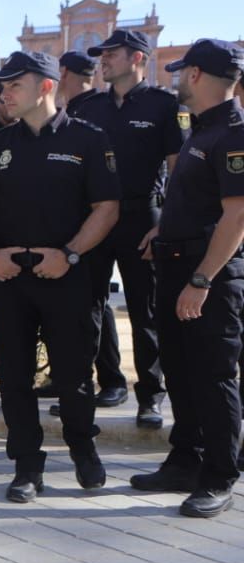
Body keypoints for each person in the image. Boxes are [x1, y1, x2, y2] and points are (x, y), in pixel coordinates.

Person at [0, 51, 119, 503]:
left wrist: (69, 254)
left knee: (74, 374)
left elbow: (107, 208)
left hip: (67, 276)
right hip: (10, 277)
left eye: (15, 85)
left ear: (46, 87)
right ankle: (27, 465)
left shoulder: (88, 139)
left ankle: (83, 449)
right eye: (2, 86)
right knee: (14, 376)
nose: (4, 94)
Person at [131, 40, 244, 518]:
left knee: (213, 375)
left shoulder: (234, 133)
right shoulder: (200, 130)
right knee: (178, 369)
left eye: (180, 72)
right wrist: (164, 228)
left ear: (195, 74)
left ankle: (219, 476)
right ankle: (185, 461)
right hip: (177, 263)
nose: (175, 79)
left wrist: (201, 280)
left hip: (207, 274)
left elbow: (237, 217)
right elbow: (201, 200)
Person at [78, 28, 186, 429]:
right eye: (101, 54)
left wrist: (166, 226)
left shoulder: (164, 106)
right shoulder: (89, 108)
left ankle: (151, 397)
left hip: (143, 219)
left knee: (146, 311)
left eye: (112, 53)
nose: (103, 60)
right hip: (95, 219)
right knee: (86, 307)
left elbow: (180, 172)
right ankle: (90, 389)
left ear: (138, 58)